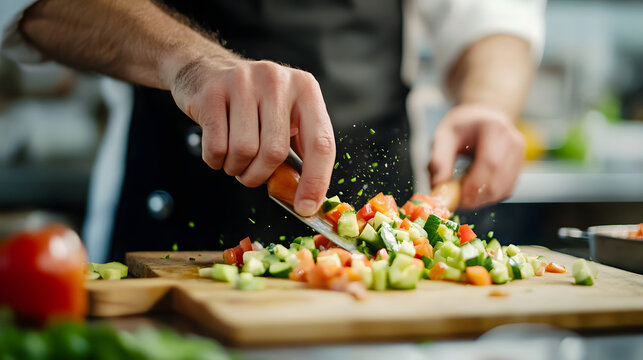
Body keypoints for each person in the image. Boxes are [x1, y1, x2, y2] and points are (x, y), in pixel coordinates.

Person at [1, 0, 545, 261]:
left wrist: (489, 102)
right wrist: (190, 65)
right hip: (160, 236)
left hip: (376, 320)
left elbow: (492, 14)